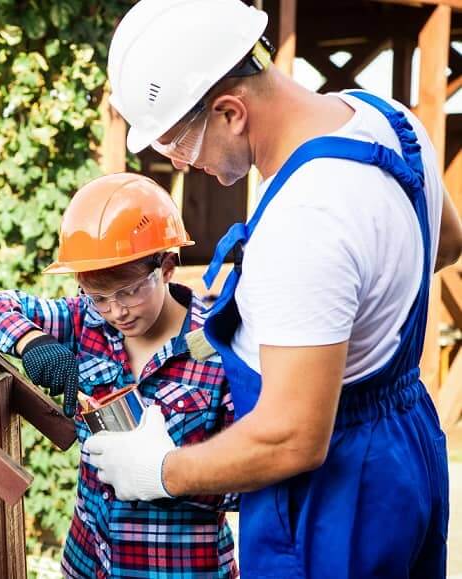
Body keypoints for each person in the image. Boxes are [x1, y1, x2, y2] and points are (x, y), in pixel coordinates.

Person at [84, 1, 462, 577]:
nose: (184, 166)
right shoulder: (390, 121)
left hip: (337, 498)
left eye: (179, 145)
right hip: (407, 450)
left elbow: (292, 438)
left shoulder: (306, 217)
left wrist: (159, 469)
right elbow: (446, 240)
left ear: (230, 111)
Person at [0, 173, 240, 578]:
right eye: (100, 297)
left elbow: (252, 481)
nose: (116, 311)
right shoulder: (83, 323)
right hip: (87, 562)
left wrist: (169, 471)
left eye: (128, 291)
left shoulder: (219, 350)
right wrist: (32, 342)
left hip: (179, 569)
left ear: (165, 267)